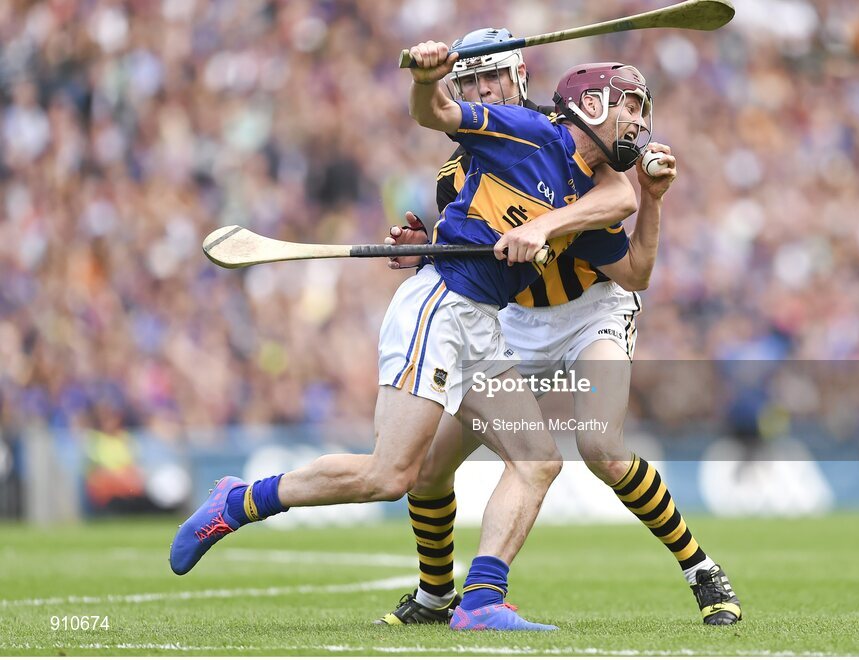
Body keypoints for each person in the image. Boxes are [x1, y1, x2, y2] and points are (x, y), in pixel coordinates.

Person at [169, 39, 648, 632]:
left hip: (481, 322)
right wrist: (428, 79)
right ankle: (240, 501)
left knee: (537, 461)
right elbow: (438, 114)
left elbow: (621, 198)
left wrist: (541, 228)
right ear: (593, 109)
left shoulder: (585, 174)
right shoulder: (519, 130)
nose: (637, 124)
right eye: (627, 109)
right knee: (390, 476)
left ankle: (480, 603)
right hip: (442, 310)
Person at [376, 29, 741, 629]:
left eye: (488, 77)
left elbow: (624, 222)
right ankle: (435, 593)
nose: (478, 89)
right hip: (510, 322)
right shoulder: (456, 167)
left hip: (590, 311)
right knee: (428, 466)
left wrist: (563, 223)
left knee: (601, 447)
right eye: (467, 81)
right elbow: (471, 245)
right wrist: (426, 249)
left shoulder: (569, 130)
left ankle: (700, 568)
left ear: (519, 78)